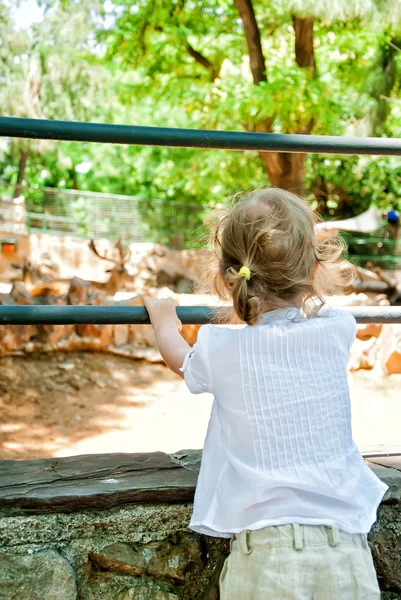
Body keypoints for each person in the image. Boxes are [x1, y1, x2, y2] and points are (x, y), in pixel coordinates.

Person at [145, 188, 387, 600]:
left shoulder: (222, 347)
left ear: (227, 275)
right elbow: (317, 311)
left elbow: (181, 359)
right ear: (313, 269)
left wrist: (163, 319)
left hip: (267, 559)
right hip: (346, 548)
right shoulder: (338, 330)